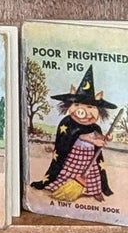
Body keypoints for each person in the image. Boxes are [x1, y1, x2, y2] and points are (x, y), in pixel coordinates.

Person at [30, 66, 117, 202]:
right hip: (74, 155)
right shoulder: (67, 123)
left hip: (89, 157)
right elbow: (76, 135)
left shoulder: (94, 127)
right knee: (69, 171)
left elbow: (97, 135)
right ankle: (61, 187)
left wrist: (105, 137)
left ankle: (95, 191)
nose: (82, 111)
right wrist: (92, 141)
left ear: (99, 110)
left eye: (90, 107)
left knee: (93, 173)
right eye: (76, 105)